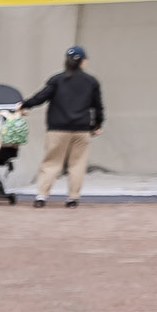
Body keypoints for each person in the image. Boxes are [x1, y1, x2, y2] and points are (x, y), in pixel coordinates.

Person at [21, 47, 105, 207]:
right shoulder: (91, 81)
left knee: (51, 162)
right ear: (83, 61)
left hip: (57, 129)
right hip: (82, 129)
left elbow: (41, 97)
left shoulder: (57, 79)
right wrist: (97, 124)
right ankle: (73, 198)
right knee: (77, 164)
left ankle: (41, 196)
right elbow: (98, 106)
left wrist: (24, 105)